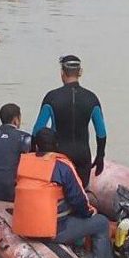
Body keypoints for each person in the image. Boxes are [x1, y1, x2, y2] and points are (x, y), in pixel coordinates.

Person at [13, 128, 113, 258]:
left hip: (24, 228)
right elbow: (78, 199)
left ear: (36, 146)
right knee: (101, 223)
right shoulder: (62, 166)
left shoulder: (22, 163)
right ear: (57, 146)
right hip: (53, 231)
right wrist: (89, 213)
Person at [32, 55, 107, 188]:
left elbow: (37, 130)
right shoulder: (91, 98)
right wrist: (100, 156)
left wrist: (33, 153)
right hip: (83, 156)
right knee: (81, 192)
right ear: (80, 72)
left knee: (60, 194)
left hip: (60, 156)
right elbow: (101, 132)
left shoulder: (52, 97)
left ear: (62, 72)